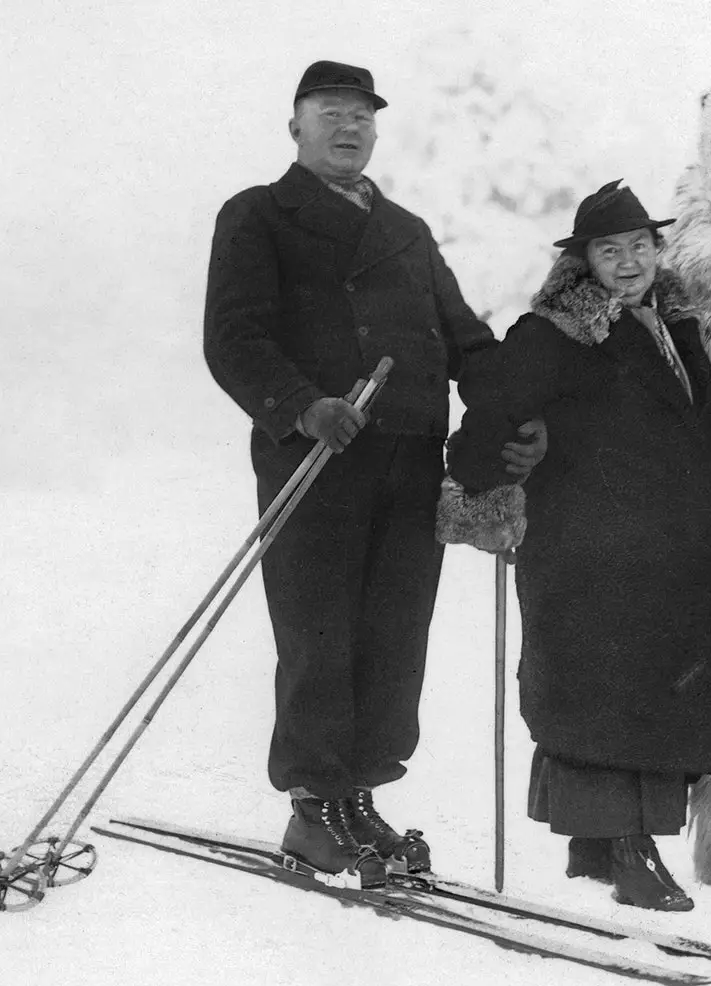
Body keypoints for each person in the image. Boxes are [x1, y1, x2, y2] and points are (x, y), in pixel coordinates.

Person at [203, 60, 545, 882]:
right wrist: (302, 403)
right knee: (320, 633)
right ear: (296, 126)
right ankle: (314, 809)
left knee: (394, 639)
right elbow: (234, 338)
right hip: (317, 462)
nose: (347, 127)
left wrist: (515, 414)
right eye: (330, 113)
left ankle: (358, 795)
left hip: (407, 465)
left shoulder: (406, 231)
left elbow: (465, 340)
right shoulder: (258, 216)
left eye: (361, 115)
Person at [444, 181, 711, 912]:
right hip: (589, 555)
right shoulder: (554, 333)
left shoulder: (678, 325)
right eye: (611, 250)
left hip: (667, 554)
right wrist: (502, 457)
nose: (630, 261)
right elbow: (486, 422)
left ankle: (598, 847)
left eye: (640, 245)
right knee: (608, 697)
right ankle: (629, 852)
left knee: (646, 698)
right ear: (584, 262)